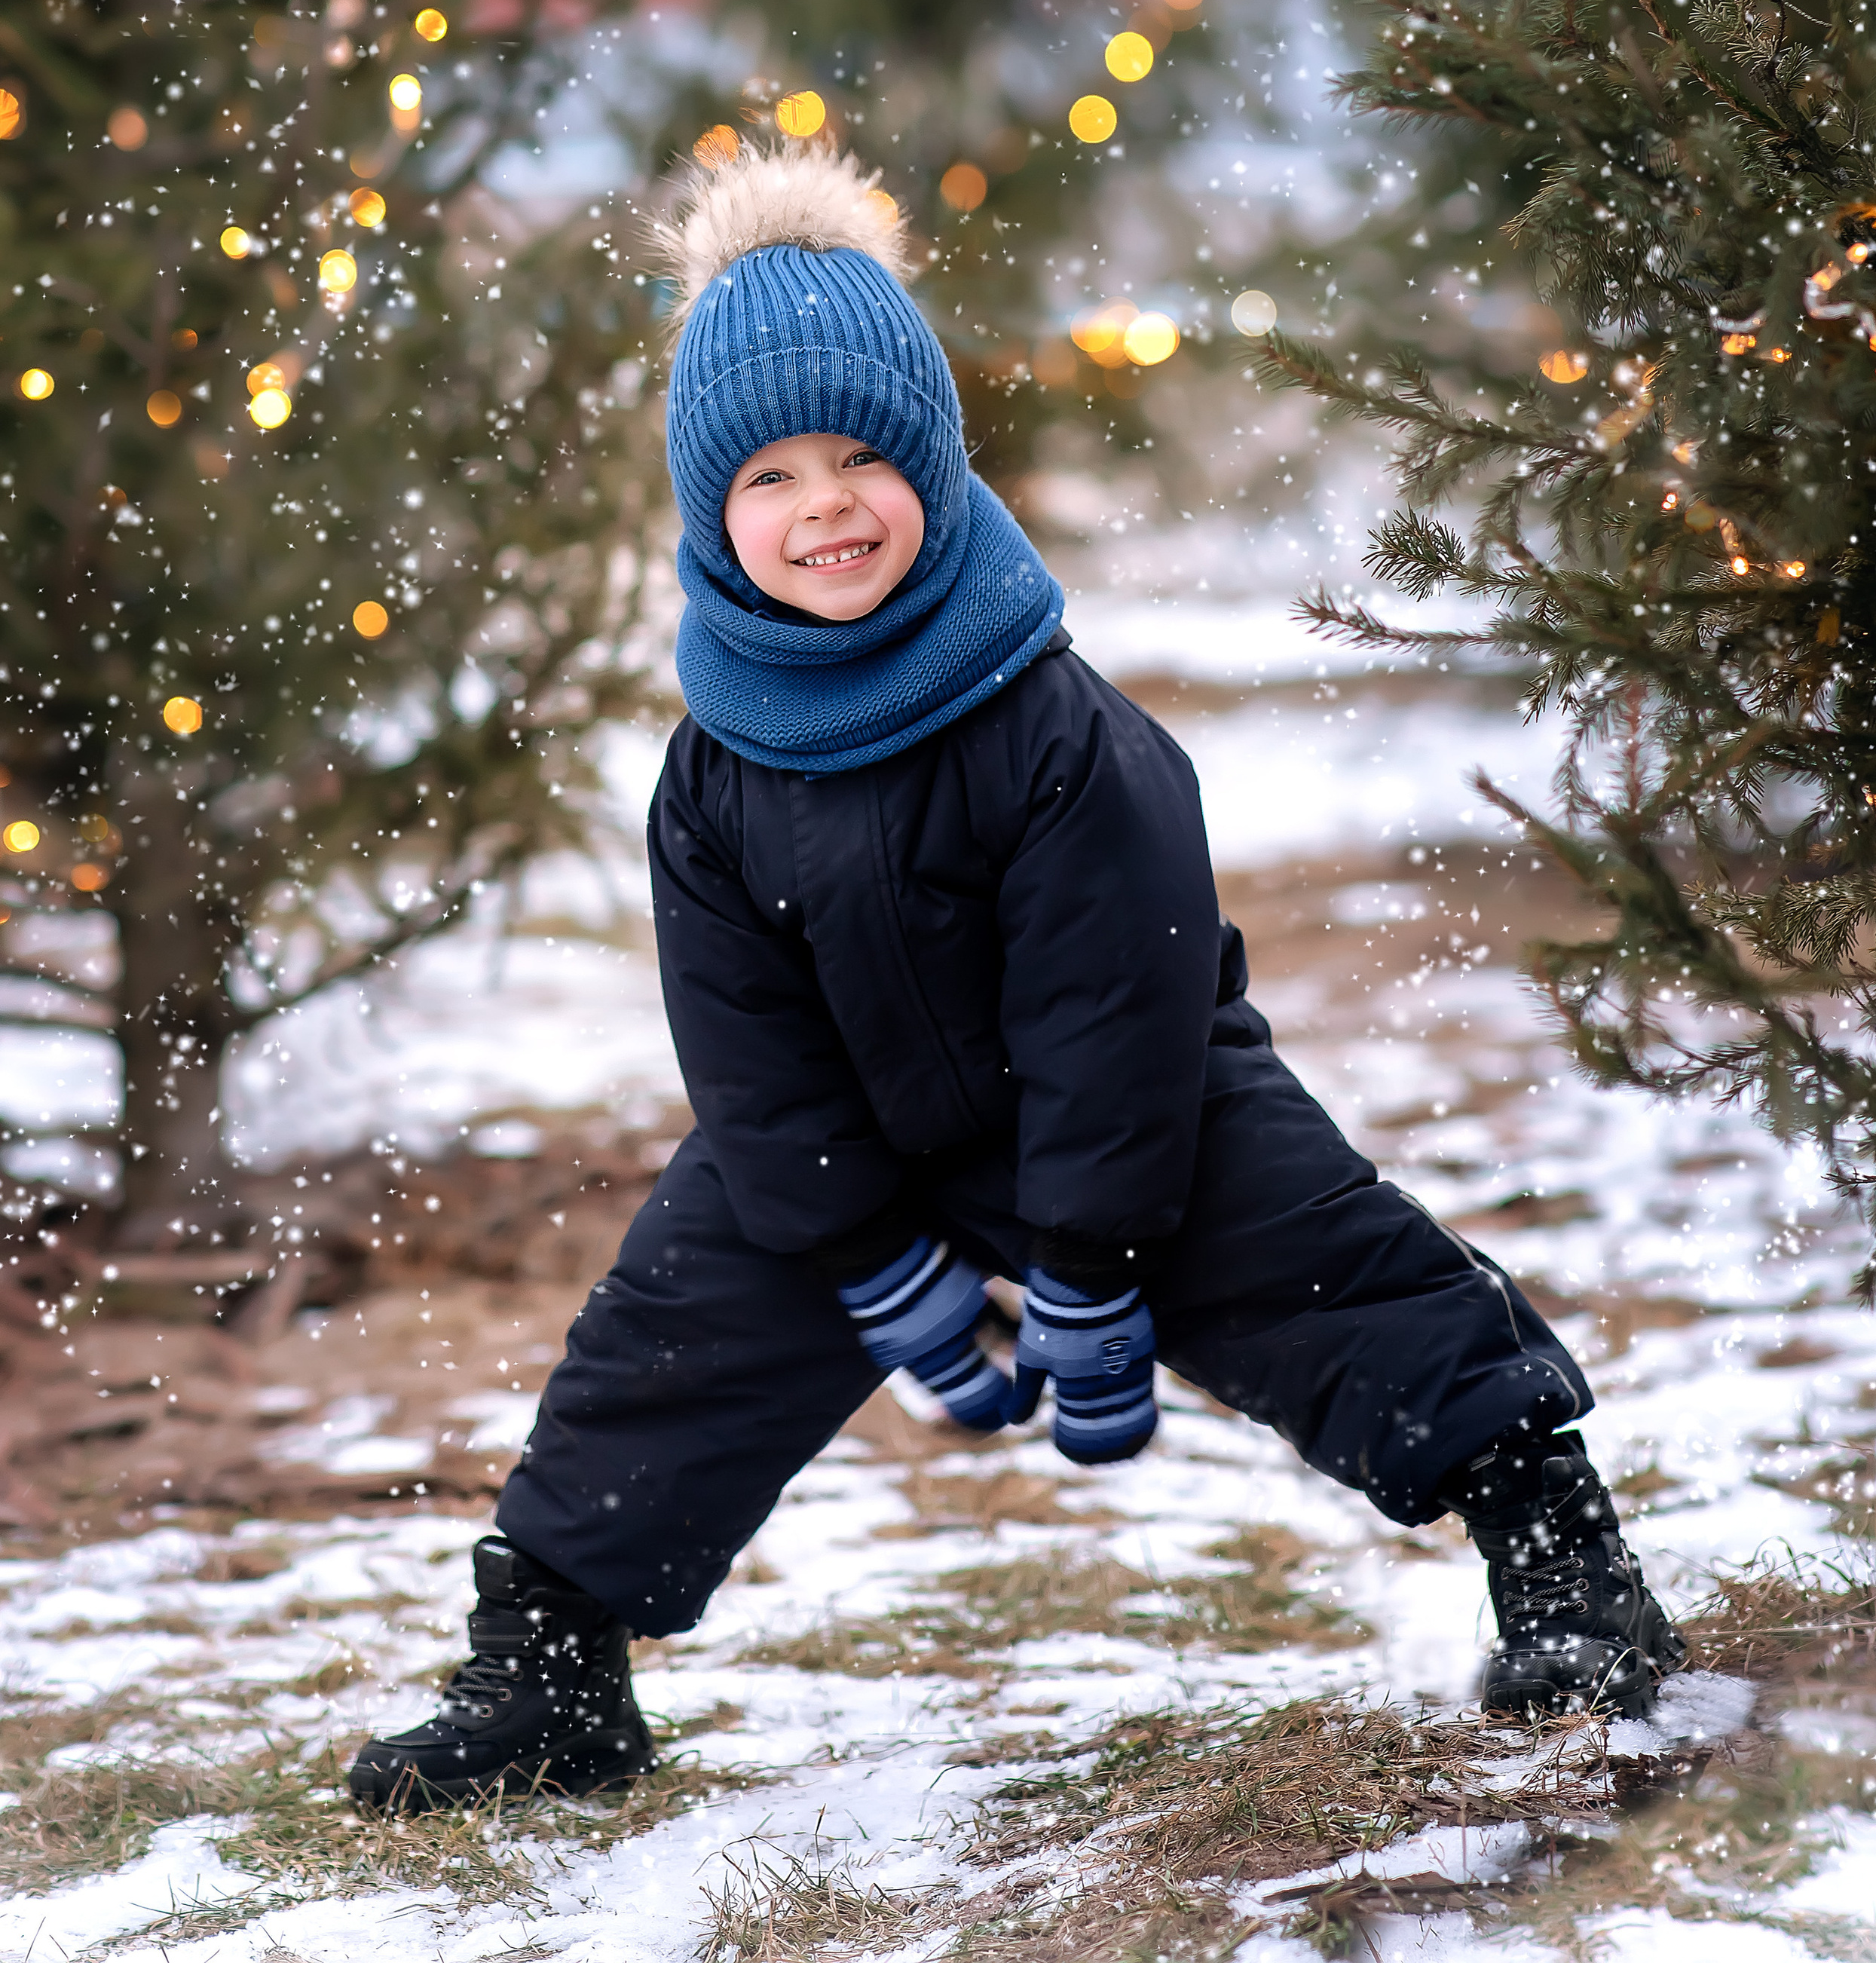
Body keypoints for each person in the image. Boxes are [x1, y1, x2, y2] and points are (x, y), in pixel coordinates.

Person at [347, 139, 1683, 1811]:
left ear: (932, 456)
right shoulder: (714, 771)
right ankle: (544, 1671)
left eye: (861, 457)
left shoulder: (1051, 726)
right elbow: (746, 1047)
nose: (823, 506)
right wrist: (856, 1247)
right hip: (858, 1140)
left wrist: (1091, 1259)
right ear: (710, 517)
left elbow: (1113, 1010)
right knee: (666, 1339)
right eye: (768, 478)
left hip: (1138, 1116)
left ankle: (1565, 1567)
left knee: (1341, 1277)